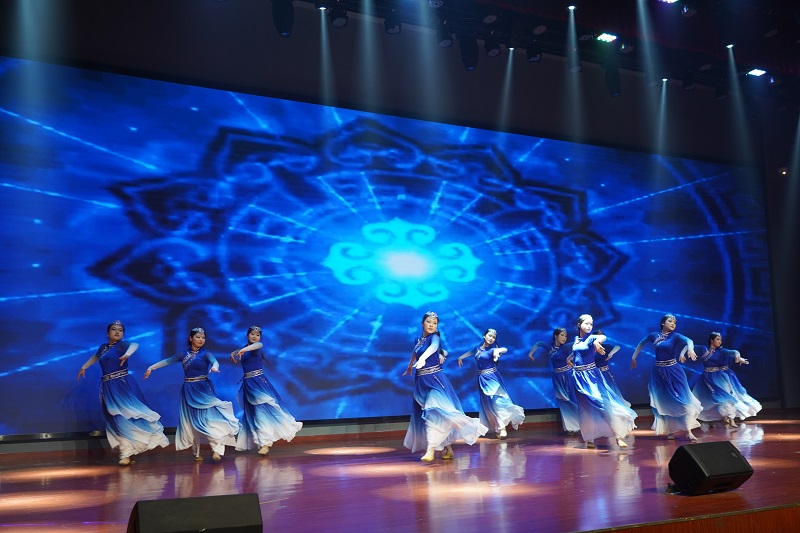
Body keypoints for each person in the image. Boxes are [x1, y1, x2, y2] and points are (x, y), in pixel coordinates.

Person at [77, 320, 169, 466]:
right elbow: (96, 356)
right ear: (108, 333)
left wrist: (127, 354)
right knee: (114, 418)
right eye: (114, 329)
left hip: (121, 384)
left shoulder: (121, 345)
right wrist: (84, 367)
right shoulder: (103, 347)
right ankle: (128, 450)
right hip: (108, 386)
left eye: (120, 330)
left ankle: (126, 453)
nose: (117, 332)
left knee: (123, 416)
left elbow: (135, 345)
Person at [402, 311, 488, 462]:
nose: (431, 325)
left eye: (434, 323)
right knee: (436, 415)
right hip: (421, 381)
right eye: (429, 322)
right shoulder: (418, 339)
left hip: (435, 380)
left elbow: (433, 347)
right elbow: (414, 353)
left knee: (432, 411)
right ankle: (448, 448)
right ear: (422, 323)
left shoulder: (434, 337)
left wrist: (423, 359)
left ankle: (430, 450)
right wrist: (410, 366)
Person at [144, 327, 239, 462]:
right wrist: (151, 367)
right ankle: (197, 453)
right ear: (190, 338)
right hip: (189, 389)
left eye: (203, 337)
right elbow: (168, 361)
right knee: (192, 421)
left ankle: (216, 449)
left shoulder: (206, 353)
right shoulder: (183, 354)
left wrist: (215, 366)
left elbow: (214, 361)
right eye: (198, 337)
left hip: (203, 388)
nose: (201, 339)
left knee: (209, 419)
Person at [230, 325, 303, 455]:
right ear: (247, 335)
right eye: (252, 334)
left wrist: (242, 350)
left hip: (258, 383)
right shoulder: (245, 349)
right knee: (254, 414)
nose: (255, 337)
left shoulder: (256, 347)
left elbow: (258, 345)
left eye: (257, 335)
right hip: (248, 384)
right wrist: (235, 352)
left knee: (260, 413)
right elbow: (240, 352)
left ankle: (265, 444)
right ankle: (264, 442)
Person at [631, 313, 702, 441]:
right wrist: (634, 357)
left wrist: (690, 349)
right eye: (670, 321)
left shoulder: (675, 336)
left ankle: (688, 430)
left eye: (675, 322)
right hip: (659, 372)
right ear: (663, 323)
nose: (673, 324)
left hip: (674, 370)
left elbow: (689, 341)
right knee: (666, 401)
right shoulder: (654, 336)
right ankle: (670, 430)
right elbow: (642, 343)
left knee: (683, 399)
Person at [570, 315, 636, 448]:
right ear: (579, 324)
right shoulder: (577, 339)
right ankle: (590, 438)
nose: (589, 326)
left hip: (591, 376)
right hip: (578, 377)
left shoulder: (592, 338)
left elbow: (602, 337)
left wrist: (596, 342)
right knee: (585, 408)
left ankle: (618, 435)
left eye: (591, 324)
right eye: (586, 323)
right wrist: (569, 359)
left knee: (603, 403)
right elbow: (577, 352)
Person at [457, 328, 525, 439]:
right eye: (489, 336)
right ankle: (497, 427)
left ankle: (502, 428)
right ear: (484, 336)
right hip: (481, 378)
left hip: (491, 377)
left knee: (497, 402)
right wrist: (461, 357)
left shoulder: (492, 350)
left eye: (493, 337)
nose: (491, 338)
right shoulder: (477, 348)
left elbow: (504, 349)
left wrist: (498, 351)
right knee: (488, 405)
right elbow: (472, 351)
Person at [692, 332, 761, 427]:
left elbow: (732, 352)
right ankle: (711, 420)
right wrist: (685, 352)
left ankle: (731, 418)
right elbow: (690, 346)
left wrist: (738, 356)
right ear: (711, 340)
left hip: (721, 378)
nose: (720, 341)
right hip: (707, 378)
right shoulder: (703, 349)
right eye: (717, 339)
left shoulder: (721, 351)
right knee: (710, 399)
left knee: (727, 397)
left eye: (720, 340)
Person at [528, 327, 580, 435]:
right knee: (563, 401)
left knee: (571, 399)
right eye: (562, 335)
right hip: (557, 377)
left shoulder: (565, 347)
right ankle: (570, 427)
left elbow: (576, 345)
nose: (564, 338)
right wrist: (531, 354)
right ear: (556, 336)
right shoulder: (550, 347)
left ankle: (580, 424)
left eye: (565, 336)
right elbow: (538, 343)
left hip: (568, 375)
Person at [593, 330, 631, 408]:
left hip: (605, 373)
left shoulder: (605, 347)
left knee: (610, 391)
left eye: (601, 336)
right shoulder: (590, 348)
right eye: (598, 336)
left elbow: (617, 347)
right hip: (594, 374)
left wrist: (611, 353)